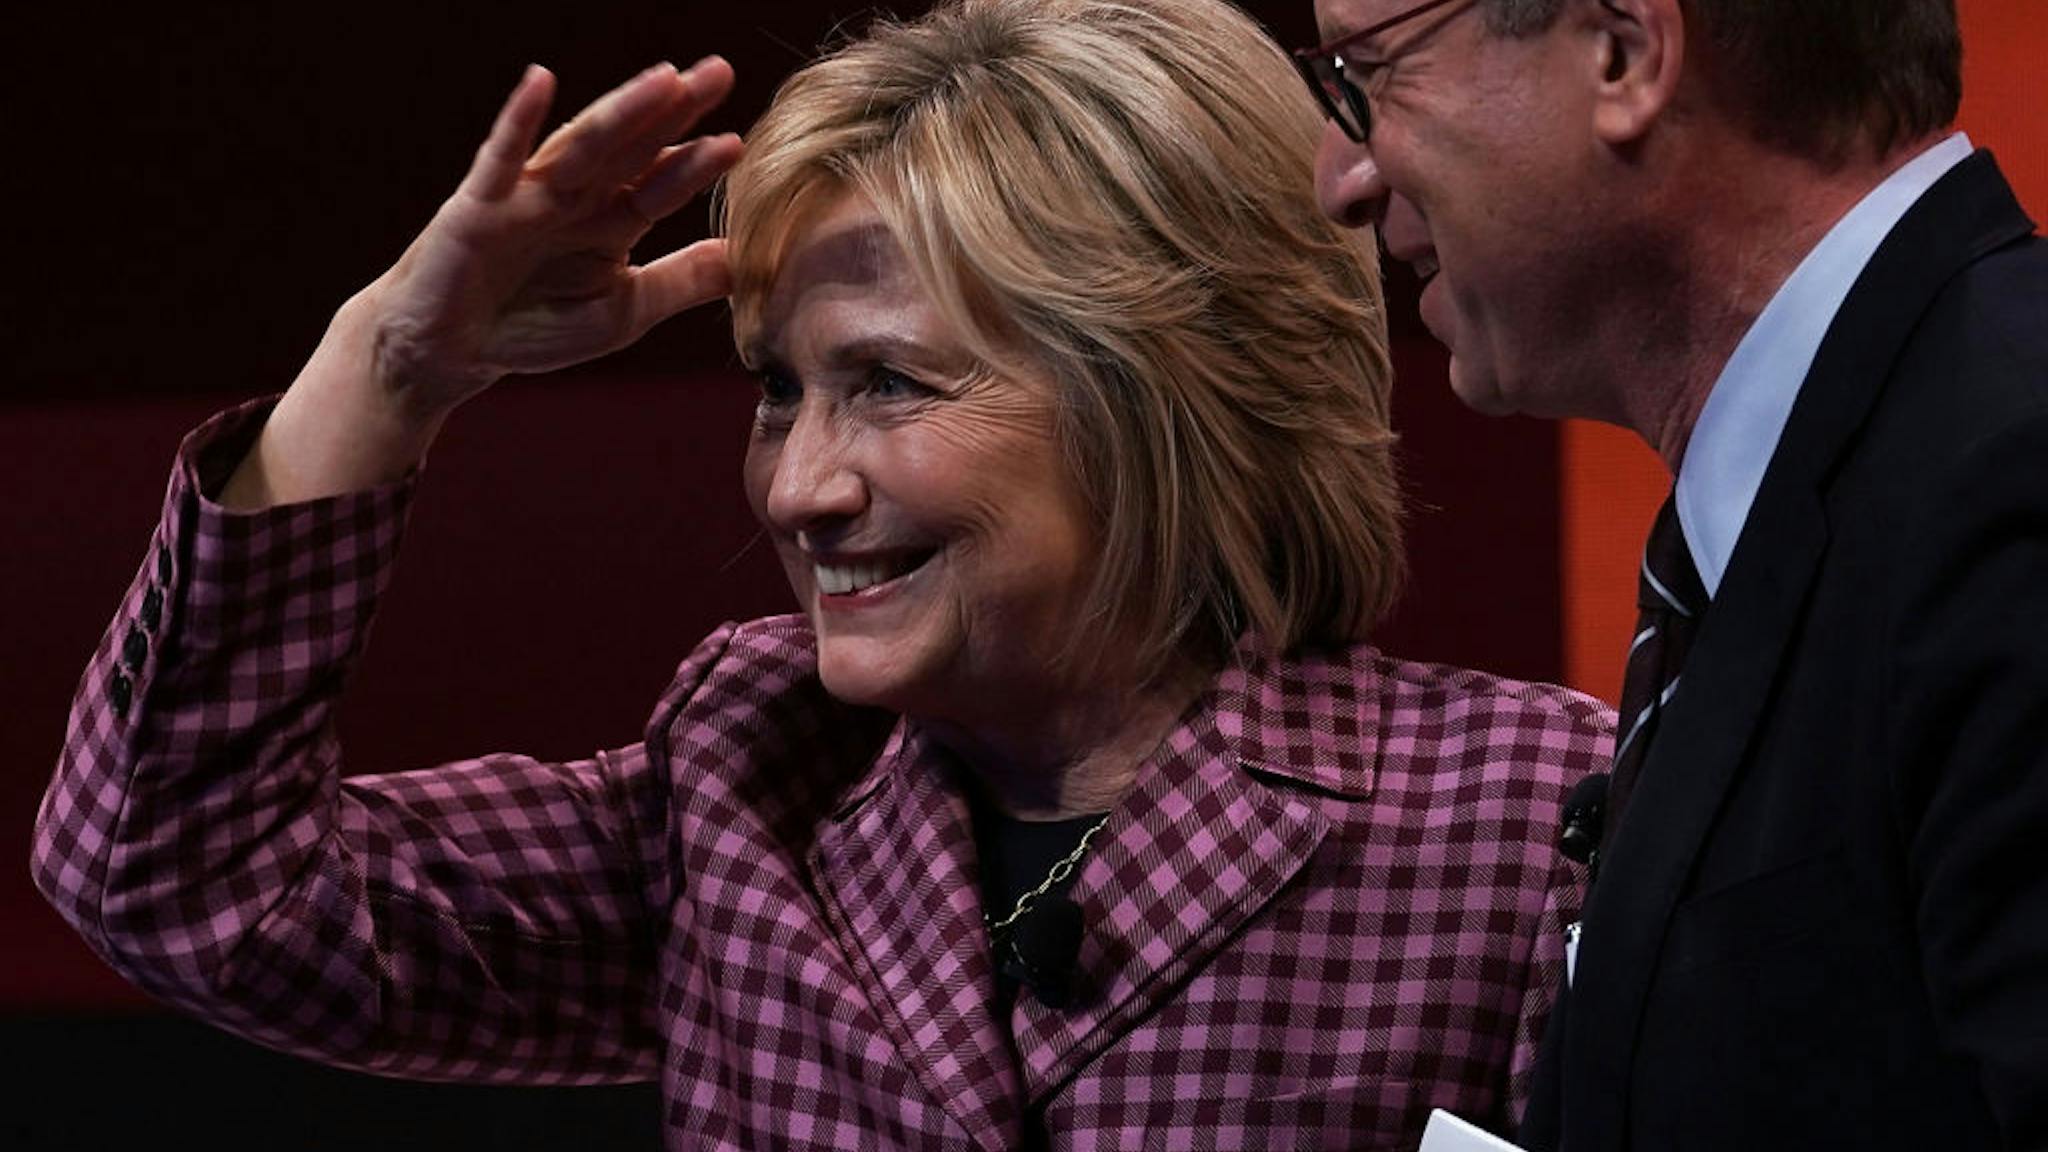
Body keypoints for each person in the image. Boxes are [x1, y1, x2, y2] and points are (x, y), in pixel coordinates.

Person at [31, 0, 1612, 1147]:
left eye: (892, 386)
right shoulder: (751, 785)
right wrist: (390, 368)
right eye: (780, 389)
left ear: (1165, 392)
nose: (798, 486)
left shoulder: (1543, 822)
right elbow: (175, 881)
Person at [1296, 0, 2048, 1148]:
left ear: (1622, 49)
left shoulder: (2008, 473)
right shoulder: (1824, 497)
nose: (1338, 178)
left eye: (1363, 75)